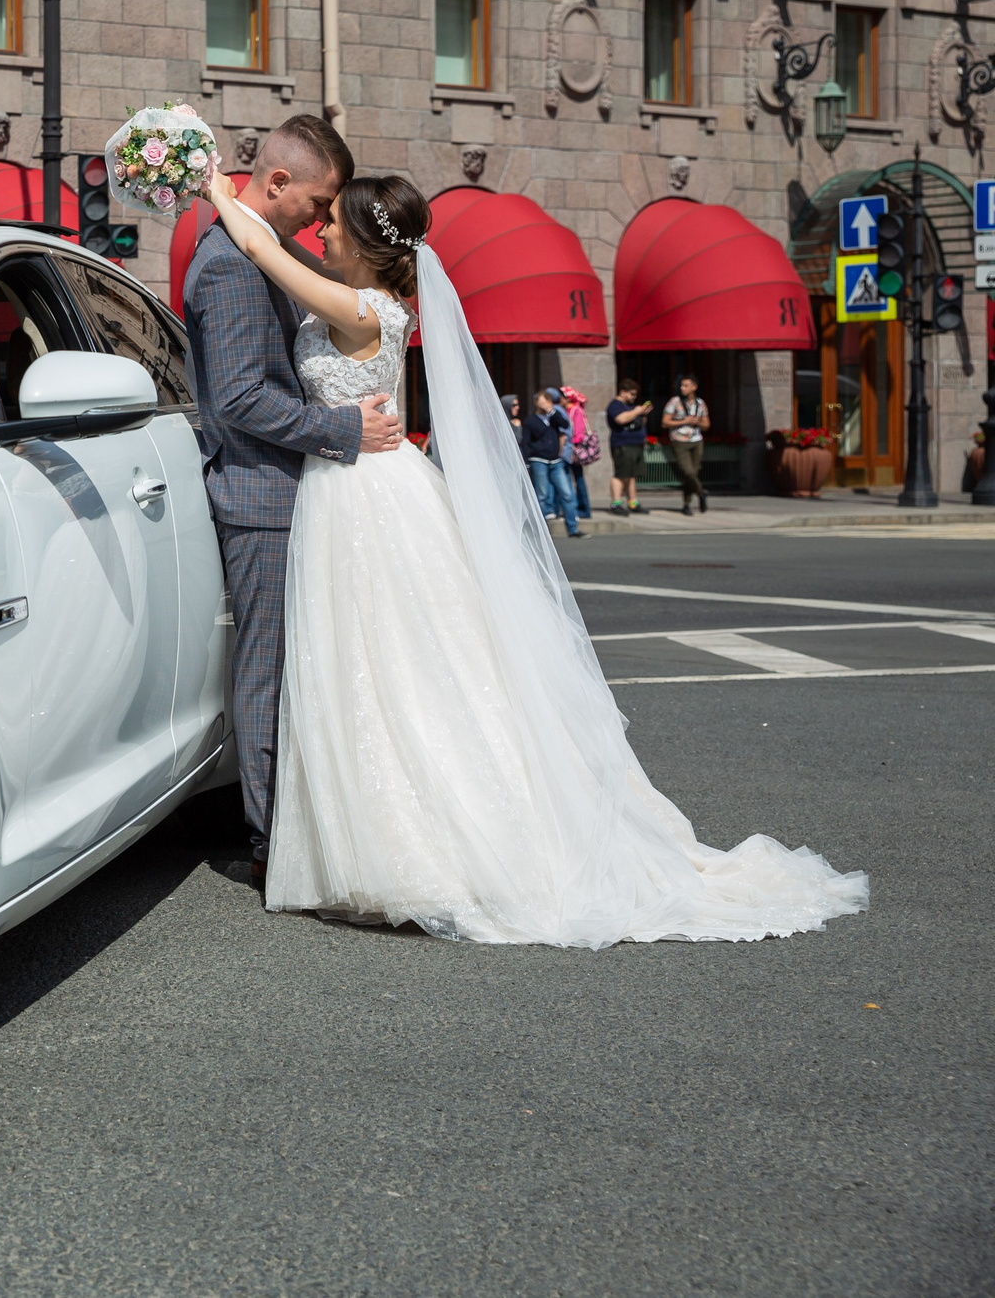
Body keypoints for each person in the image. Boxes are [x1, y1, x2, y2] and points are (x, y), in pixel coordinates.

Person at [195, 162, 867, 946]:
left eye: (335, 221)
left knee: (386, 665)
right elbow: (274, 253)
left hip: (364, 498)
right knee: (383, 667)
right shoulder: (370, 297)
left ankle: (420, 838)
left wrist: (212, 186)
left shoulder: (358, 305)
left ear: (372, 248)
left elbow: (261, 247)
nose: (322, 229)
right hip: (358, 487)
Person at [181, 113, 404, 888]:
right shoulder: (232, 267)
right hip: (261, 496)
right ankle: (274, 839)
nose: (320, 221)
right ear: (276, 184)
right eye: (316, 202)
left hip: (298, 489)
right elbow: (243, 397)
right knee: (270, 669)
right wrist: (344, 427)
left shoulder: (258, 254)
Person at [522, 387, 583, 538]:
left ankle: (573, 528)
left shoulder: (554, 417)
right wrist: (527, 460)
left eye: (547, 401)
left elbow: (566, 425)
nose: (544, 404)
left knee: (567, 494)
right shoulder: (531, 420)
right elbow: (526, 442)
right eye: (541, 402)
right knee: (542, 495)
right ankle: (542, 531)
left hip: (556, 460)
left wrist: (552, 411)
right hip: (539, 460)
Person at [664, 376, 710, 515]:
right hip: (679, 440)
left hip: (696, 440)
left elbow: (706, 425)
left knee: (693, 473)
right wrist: (684, 421)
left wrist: (697, 422)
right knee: (687, 471)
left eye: (685, 385)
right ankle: (701, 493)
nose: (682, 388)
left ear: (694, 387)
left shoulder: (700, 403)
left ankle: (686, 504)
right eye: (681, 385)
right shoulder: (674, 402)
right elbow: (665, 422)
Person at [607, 377, 652, 514]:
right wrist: (637, 411)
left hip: (636, 444)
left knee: (631, 475)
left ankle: (633, 502)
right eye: (632, 394)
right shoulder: (615, 405)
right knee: (621, 474)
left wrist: (642, 413)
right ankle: (616, 503)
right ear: (623, 392)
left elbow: (639, 422)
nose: (634, 397)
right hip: (623, 445)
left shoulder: (631, 406)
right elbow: (620, 419)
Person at [560, 385, 597, 520]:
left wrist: (574, 448)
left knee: (578, 479)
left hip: (574, 450)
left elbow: (579, 432)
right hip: (570, 449)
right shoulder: (567, 410)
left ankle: (583, 508)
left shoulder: (576, 410)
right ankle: (575, 508)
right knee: (572, 478)